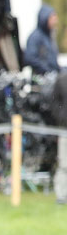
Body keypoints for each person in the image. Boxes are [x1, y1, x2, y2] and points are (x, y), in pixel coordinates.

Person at [24, 5, 60, 75]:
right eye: (52, 18)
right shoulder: (35, 37)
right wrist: (48, 70)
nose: (55, 22)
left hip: (52, 77)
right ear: (45, 18)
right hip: (41, 79)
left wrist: (59, 69)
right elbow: (30, 58)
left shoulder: (49, 36)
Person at [50, 71, 67, 204]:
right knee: (64, 163)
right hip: (64, 129)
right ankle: (62, 195)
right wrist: (62, 120)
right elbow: (54, 104)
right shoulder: (61, 80)